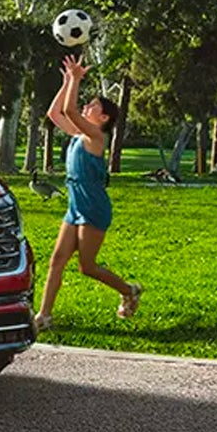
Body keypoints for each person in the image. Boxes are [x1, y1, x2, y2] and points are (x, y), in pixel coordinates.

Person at [34, 55, 143, 331]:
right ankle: (44, 316)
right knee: (57, 260)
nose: (86, 106)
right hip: (75, 206)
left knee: (87, 267)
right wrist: (66, 82)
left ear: (103, 118)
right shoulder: (78, 135)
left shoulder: (96, 137)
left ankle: (129, 290)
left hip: (93, 207)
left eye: (92, 106)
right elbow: (55, 114)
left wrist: (76, 78)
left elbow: (70, 112)